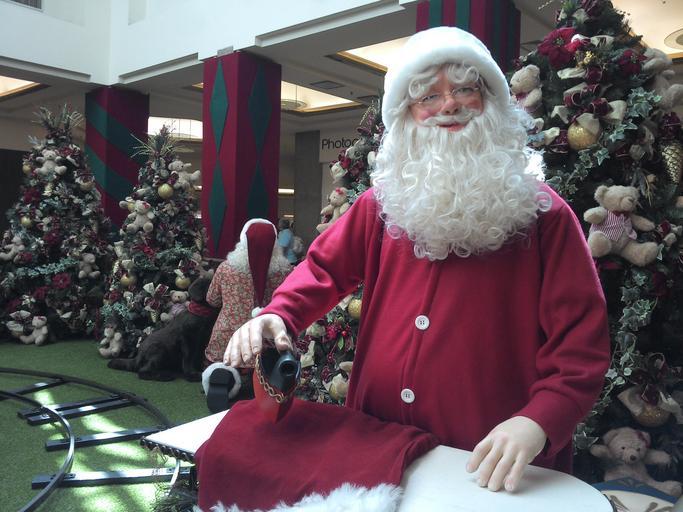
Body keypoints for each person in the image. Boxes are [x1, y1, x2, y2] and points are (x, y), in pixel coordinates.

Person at [225, 26, 610, 494]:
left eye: (465, 90)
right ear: (407, 114)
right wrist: (281, 312)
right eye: (428, 96)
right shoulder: (381, 205)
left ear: (490, 103)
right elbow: (323, 270)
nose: (448, 105)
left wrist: (540, 419)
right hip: (379, 439)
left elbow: (580, 341)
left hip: (486, 460)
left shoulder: (544, 215)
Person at [204, 218, 291, 364]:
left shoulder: (226, 269)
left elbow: (212, 300)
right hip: (269, 345)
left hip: (227, 342)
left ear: (242, 241)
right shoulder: (286, 272)